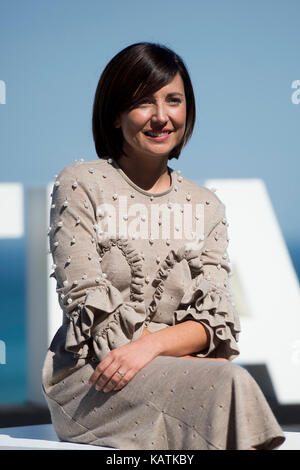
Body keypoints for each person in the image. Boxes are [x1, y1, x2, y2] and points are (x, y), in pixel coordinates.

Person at [42, 41, 285, 450]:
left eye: (173, 100)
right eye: (142, 102)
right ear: (116, 115)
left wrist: (155, 347)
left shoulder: (206, 204)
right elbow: (87, 306)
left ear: (188, 110)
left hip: (173, 371)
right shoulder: (81, 183)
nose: (161, 117)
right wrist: (179, 349)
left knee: (225, 382)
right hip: (95, 380)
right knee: (228, 383)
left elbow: (216, 322)